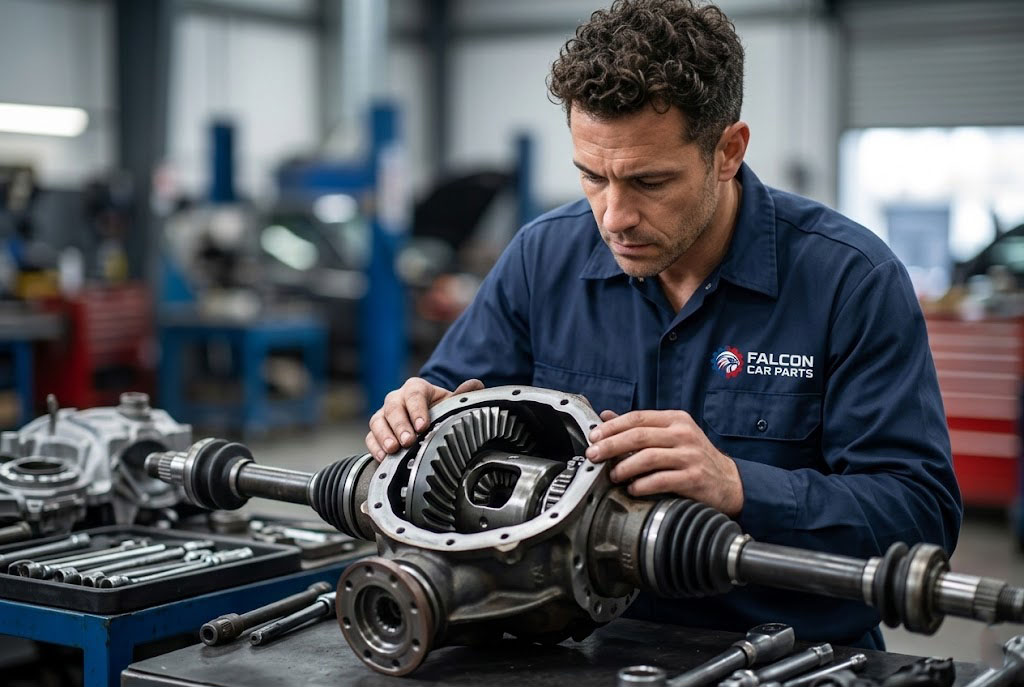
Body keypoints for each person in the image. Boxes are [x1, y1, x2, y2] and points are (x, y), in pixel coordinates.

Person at [365, 0, 961, 649]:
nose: (614, 215)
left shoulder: (849, 280)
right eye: (593, 176)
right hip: (575, 649)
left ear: (728, 150)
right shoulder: (543, 260)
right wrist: (419, 419)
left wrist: (739, 484)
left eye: (649, 181)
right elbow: (451, 413)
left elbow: (920, 516)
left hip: (795, 654)